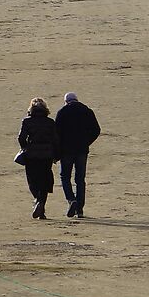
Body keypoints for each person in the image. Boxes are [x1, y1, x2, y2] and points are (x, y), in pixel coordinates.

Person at [55, 91, 102, 220]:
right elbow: (96, 130)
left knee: (65, 177)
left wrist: (57, 149)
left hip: (66, 151)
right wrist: (86, 142)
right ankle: (80, 209)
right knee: (80, 179)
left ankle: (71, 200)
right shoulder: (87, 111)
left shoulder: (62, 112)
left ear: (66, 101)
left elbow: (56, 133)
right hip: (82, 150)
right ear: (77, 99)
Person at [16, 98, 59, 221]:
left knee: (32, 180)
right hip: (46, 154)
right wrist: (56, 154)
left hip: (31, 154)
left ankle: (37, 200)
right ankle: (41, 205)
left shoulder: (27, 121)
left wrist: (24, 147)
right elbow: (56, 139)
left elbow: (21, 137)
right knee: (45, 180)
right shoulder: (50, 122)